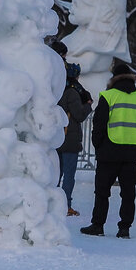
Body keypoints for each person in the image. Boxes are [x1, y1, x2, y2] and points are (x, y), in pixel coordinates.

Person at [81, 62, 136, 239]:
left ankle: (98, 225)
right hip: (131, 154)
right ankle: (124, 228)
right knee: (128, 194)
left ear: (113, 79)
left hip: (108, 152)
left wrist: (98, 144)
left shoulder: (108, 96)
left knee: (102, 191)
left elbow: (99, 124)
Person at [57, 61, 92, 217]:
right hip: (69, 139)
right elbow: (78, 114)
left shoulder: (58, 90)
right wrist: (88, 106)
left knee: (56, 173)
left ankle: (52, 203)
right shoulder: (72, 92)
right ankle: (65, 205)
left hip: (57, 137)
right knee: (69, 175)